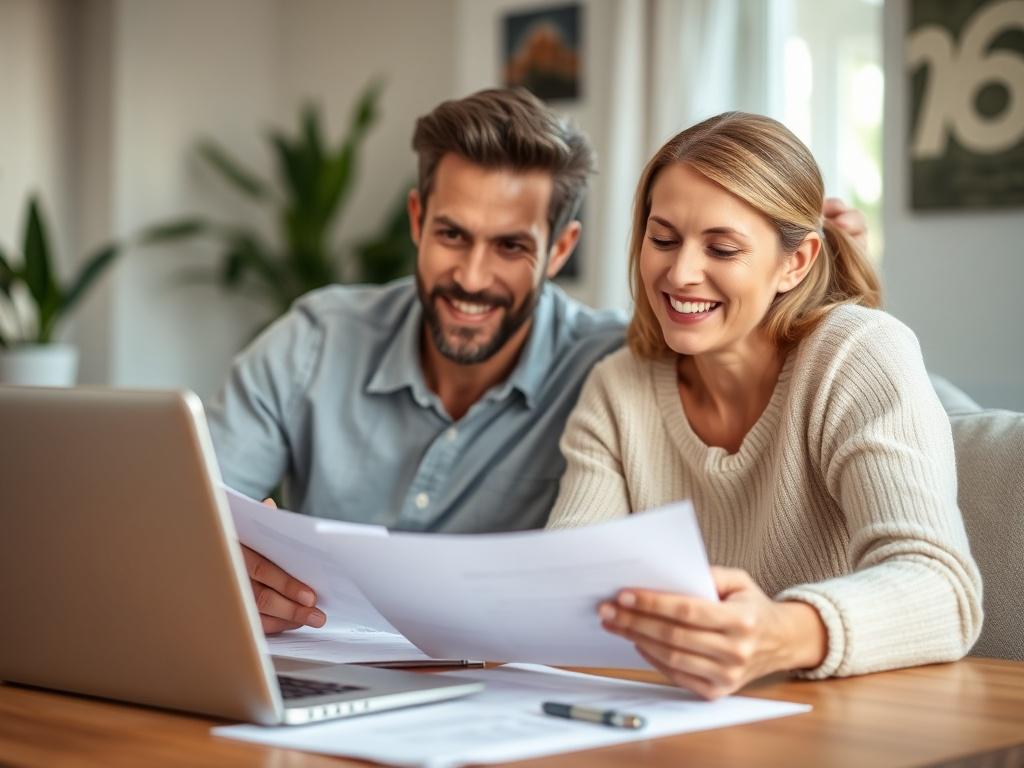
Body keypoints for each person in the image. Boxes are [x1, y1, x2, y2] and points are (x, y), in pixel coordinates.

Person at [207, 90, 867, 634]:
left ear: (560, 250)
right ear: (417, 219)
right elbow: (187, 518)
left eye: (510, 247)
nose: (471, 276)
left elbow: (806, 373)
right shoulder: (313, 340)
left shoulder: (620, 365)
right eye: (452, 235)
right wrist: (213, 565)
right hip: (312, 676)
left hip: (495, 695)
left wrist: (818, 283)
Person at [546, 112, 982, 699]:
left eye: (722, 249)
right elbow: (564, 587)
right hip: (678, 721)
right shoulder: (618, 387)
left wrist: (783, 630)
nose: (681, 273)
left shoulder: (856, 355)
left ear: (794, 263)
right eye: (663, 238)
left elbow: (943, 592)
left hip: (853, 724)